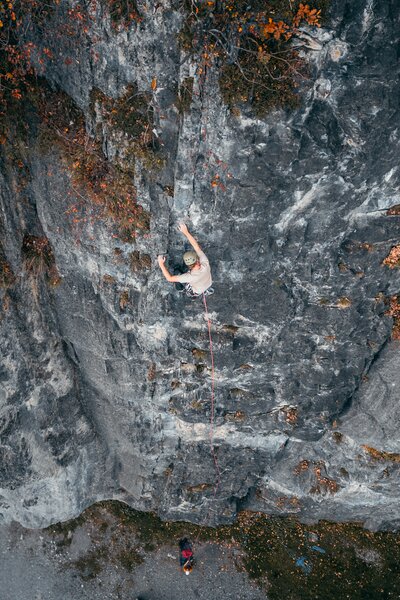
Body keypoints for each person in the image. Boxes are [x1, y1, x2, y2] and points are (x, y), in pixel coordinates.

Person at [158, 223, 213, 298]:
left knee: (177, 271)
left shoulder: (189, 277)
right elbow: (197, 247)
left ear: (188, 265)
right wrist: (186, 232)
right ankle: (205, 290)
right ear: (197, 259)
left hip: (197, 290)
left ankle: (180, 289)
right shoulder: (205, 263)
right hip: (208, 283)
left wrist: (161, 264)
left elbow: (170, 278)